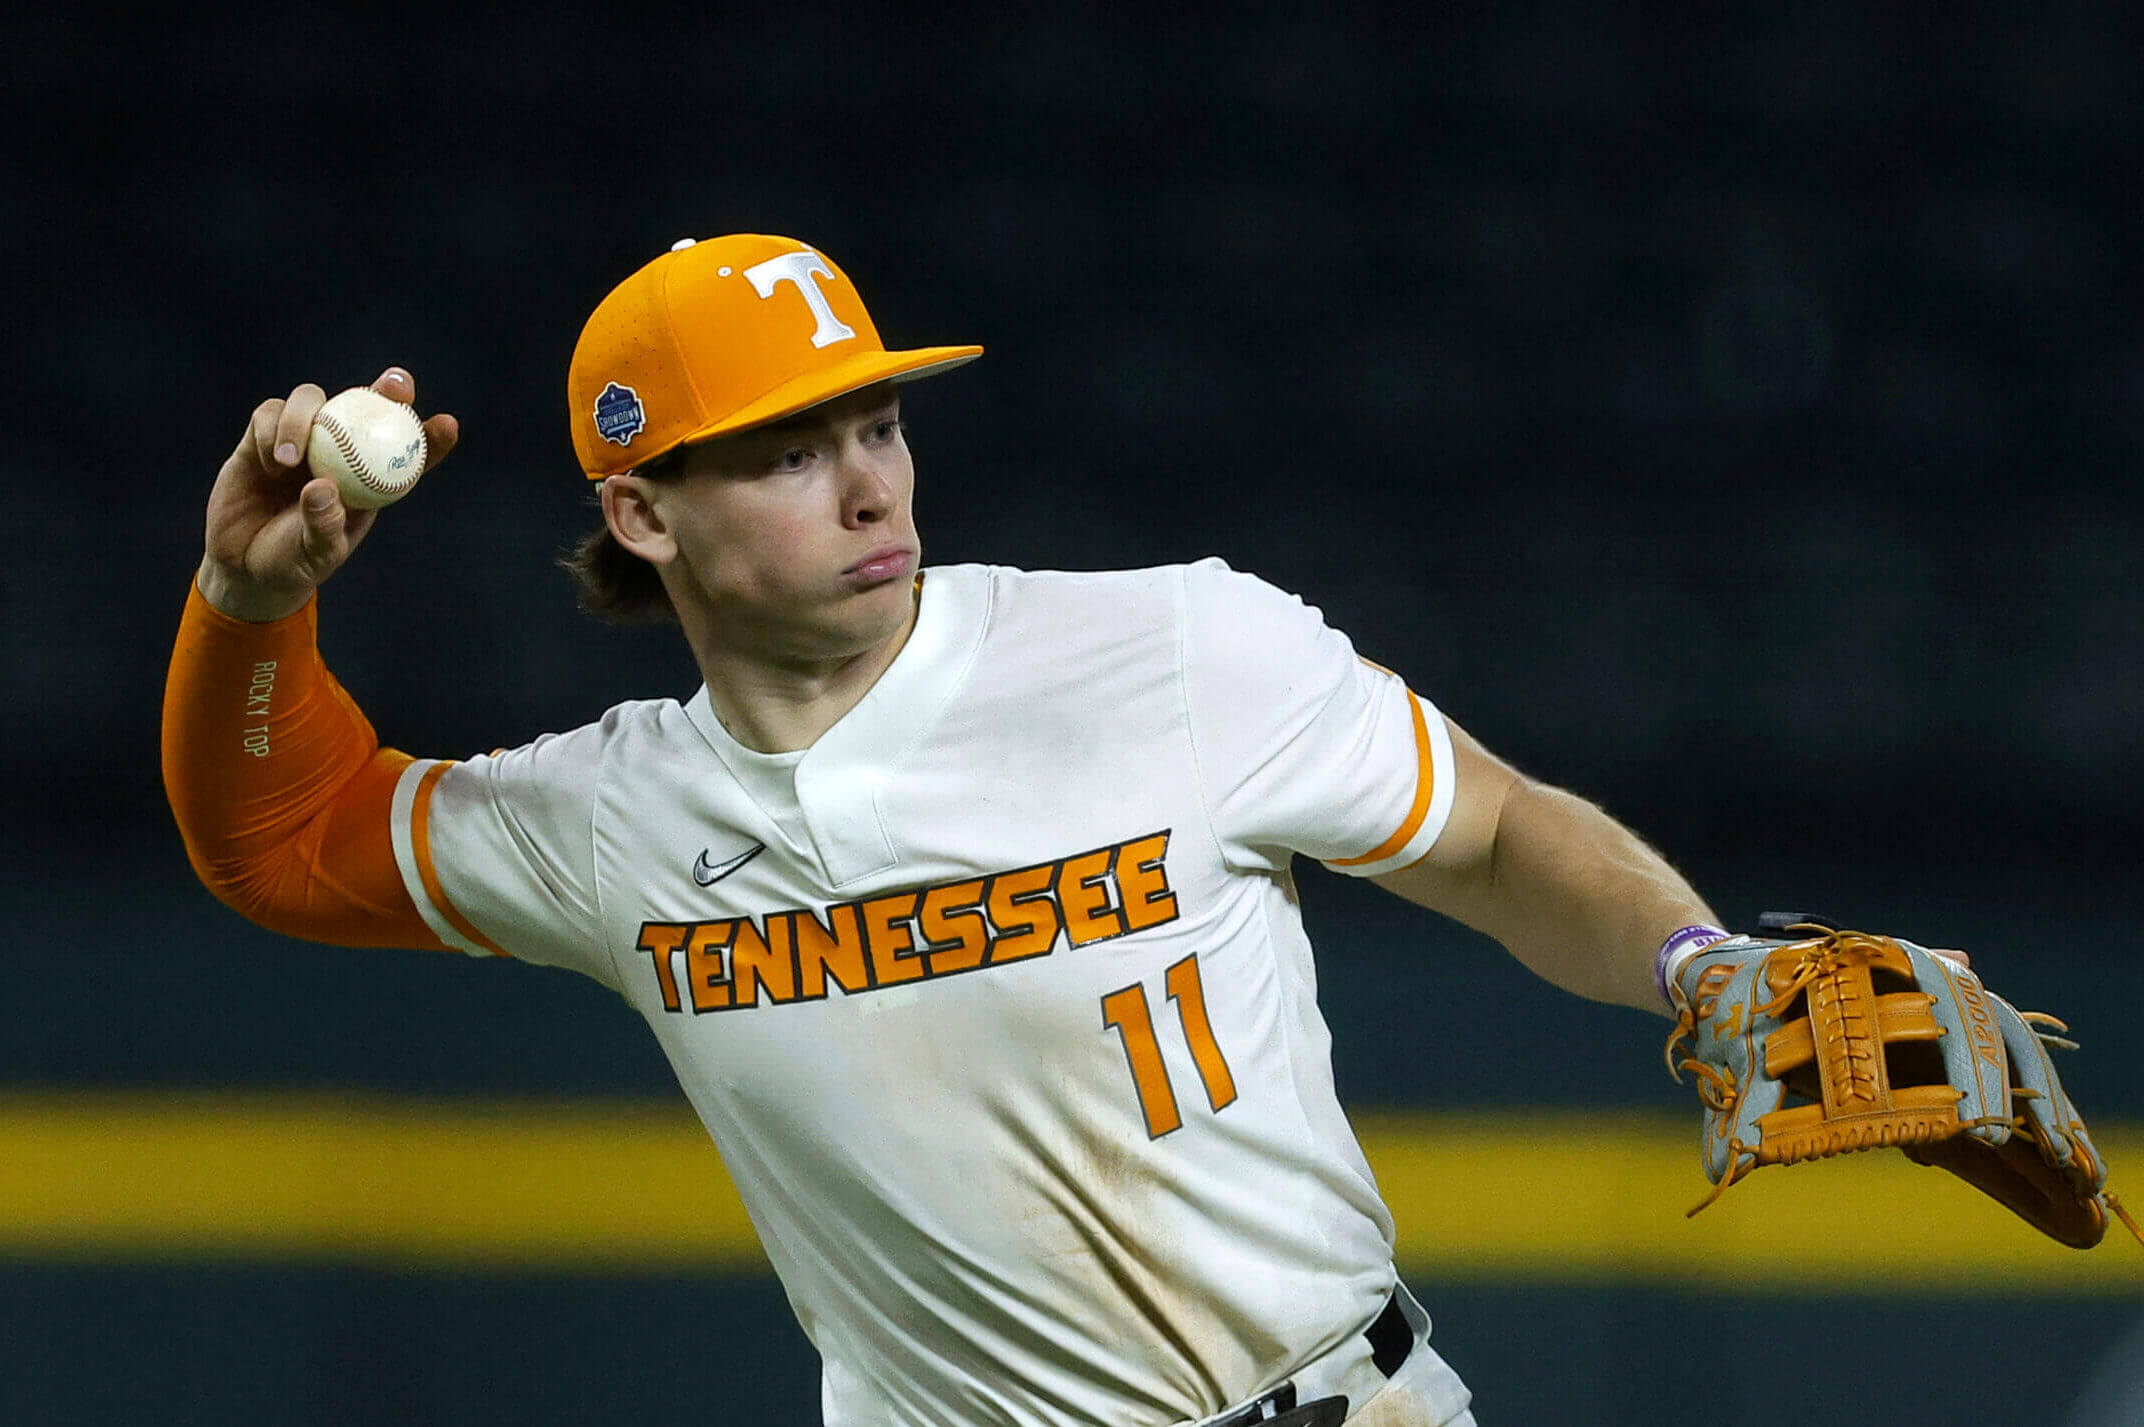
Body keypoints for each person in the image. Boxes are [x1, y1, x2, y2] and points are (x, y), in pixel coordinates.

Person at [162, 232, 1746, 1427]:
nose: (869, 490)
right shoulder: (613, 822)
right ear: (643, 513)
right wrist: (251, 602)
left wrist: (1698, 966)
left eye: (877, 427)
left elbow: (1492, 834)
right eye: (792, 452)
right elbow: (281, 835)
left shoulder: (1181, 650)